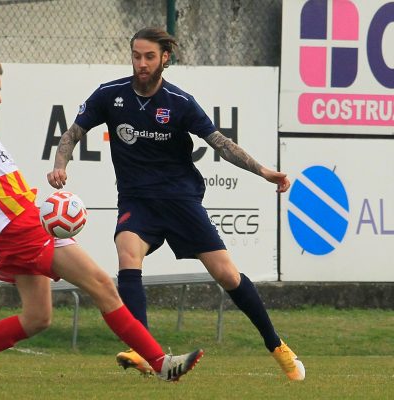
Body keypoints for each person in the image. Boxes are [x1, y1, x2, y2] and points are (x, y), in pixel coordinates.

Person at [0, 55, 203, 383]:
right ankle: (162, 363)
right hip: (21, 226)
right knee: (103, 285)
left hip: (21, 223)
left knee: (37, 318)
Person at [47, 27, 305, 381]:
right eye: (136, 56)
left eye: (149, 57)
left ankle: (277, 346)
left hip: (180, 199)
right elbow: (72, 132)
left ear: (164, 58)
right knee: (127, 254)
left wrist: (263, 171)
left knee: (227, 275)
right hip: (137, 200)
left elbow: (221, 144)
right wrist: (61, 165)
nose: (141, 63)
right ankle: (144, 350)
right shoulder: (110, 95)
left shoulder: (179, 102)